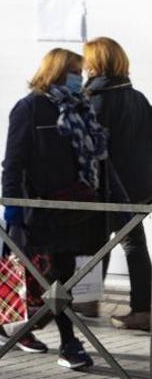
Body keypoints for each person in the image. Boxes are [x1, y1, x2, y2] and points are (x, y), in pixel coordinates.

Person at [0, 48, 108, 370]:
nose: (81, 79)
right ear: (59, 72)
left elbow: (98, 161)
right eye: (76, 72)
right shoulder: (29, 109)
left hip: (79, 208)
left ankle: (27, 329)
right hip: (43, 210)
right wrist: (13, 212)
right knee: (57, 278)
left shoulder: (82, 108)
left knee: (63, 279)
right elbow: (13, 165)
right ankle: (70, 344)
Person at [84, 37, 152, 331]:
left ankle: (90, 301)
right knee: (129, 243)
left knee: (99, 240)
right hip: (140, 188)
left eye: (87, 59)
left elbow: (91, 148)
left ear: (97, 63)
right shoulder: (137, 98)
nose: (83, 65)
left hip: (112, 189)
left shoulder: (97, 99)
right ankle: (140, 309)